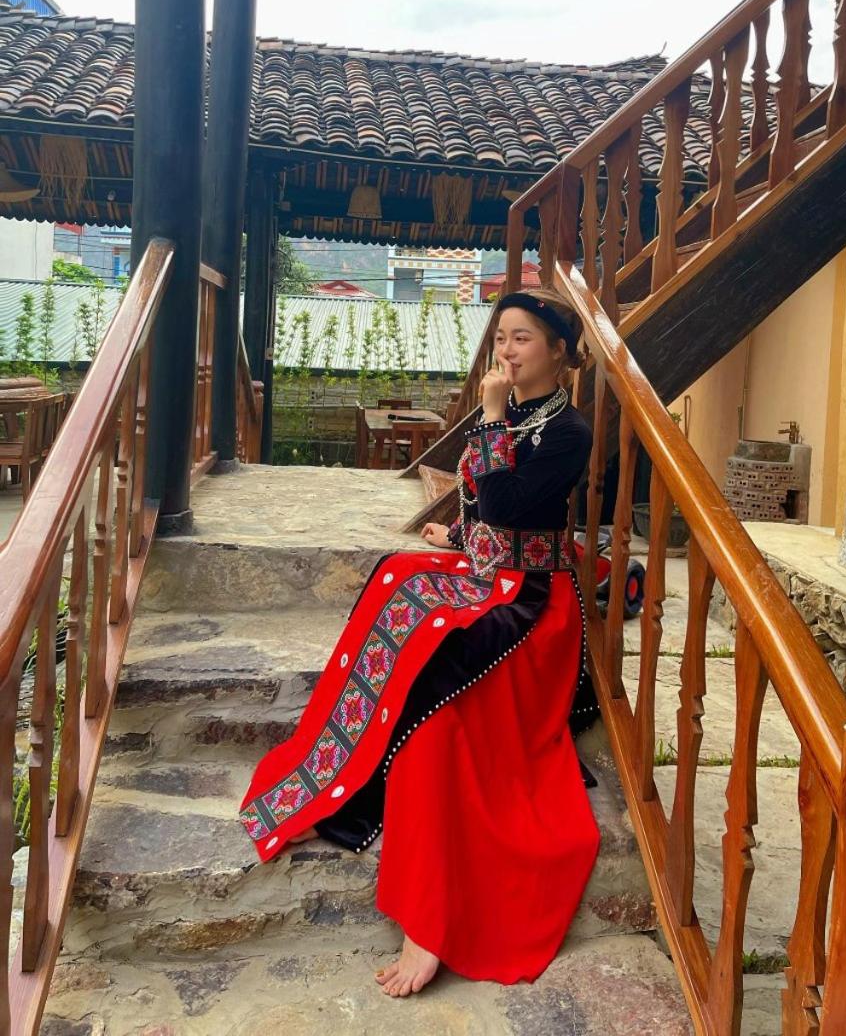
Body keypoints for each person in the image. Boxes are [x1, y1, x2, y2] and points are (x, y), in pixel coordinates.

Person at [238, 289, 601, 998]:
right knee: (393, 581)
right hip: (486, 572)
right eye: (501, 338)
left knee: (432, 678)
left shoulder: (568, 431)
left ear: (558, 351)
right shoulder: (515, 414)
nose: (506, 352)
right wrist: (457, 534)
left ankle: (408, 888)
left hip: (531, 598)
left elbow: (508, 504)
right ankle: (333, 794)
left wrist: (489, 419)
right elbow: (483, 510)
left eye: (522, 339)